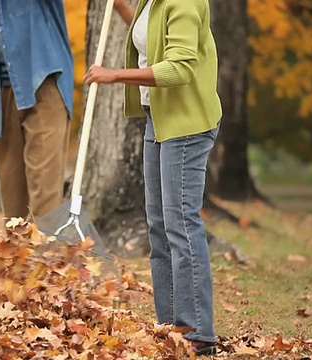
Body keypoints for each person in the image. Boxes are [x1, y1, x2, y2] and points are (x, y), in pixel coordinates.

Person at [85, 0, 222, 355]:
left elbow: (179, 69)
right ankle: (171, 325)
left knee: (181, 225)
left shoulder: (185, 2)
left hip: (187, 123)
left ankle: (197, 332)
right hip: (159, 117)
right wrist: (119, 8)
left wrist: (113, 75)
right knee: (159, 225)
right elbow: (152, 36)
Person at [0, 0, 73, 219]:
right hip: (5, 99)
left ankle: (46, 251)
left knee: (44, 190)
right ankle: (15, 251)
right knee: (12, 196)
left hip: (45, 87)